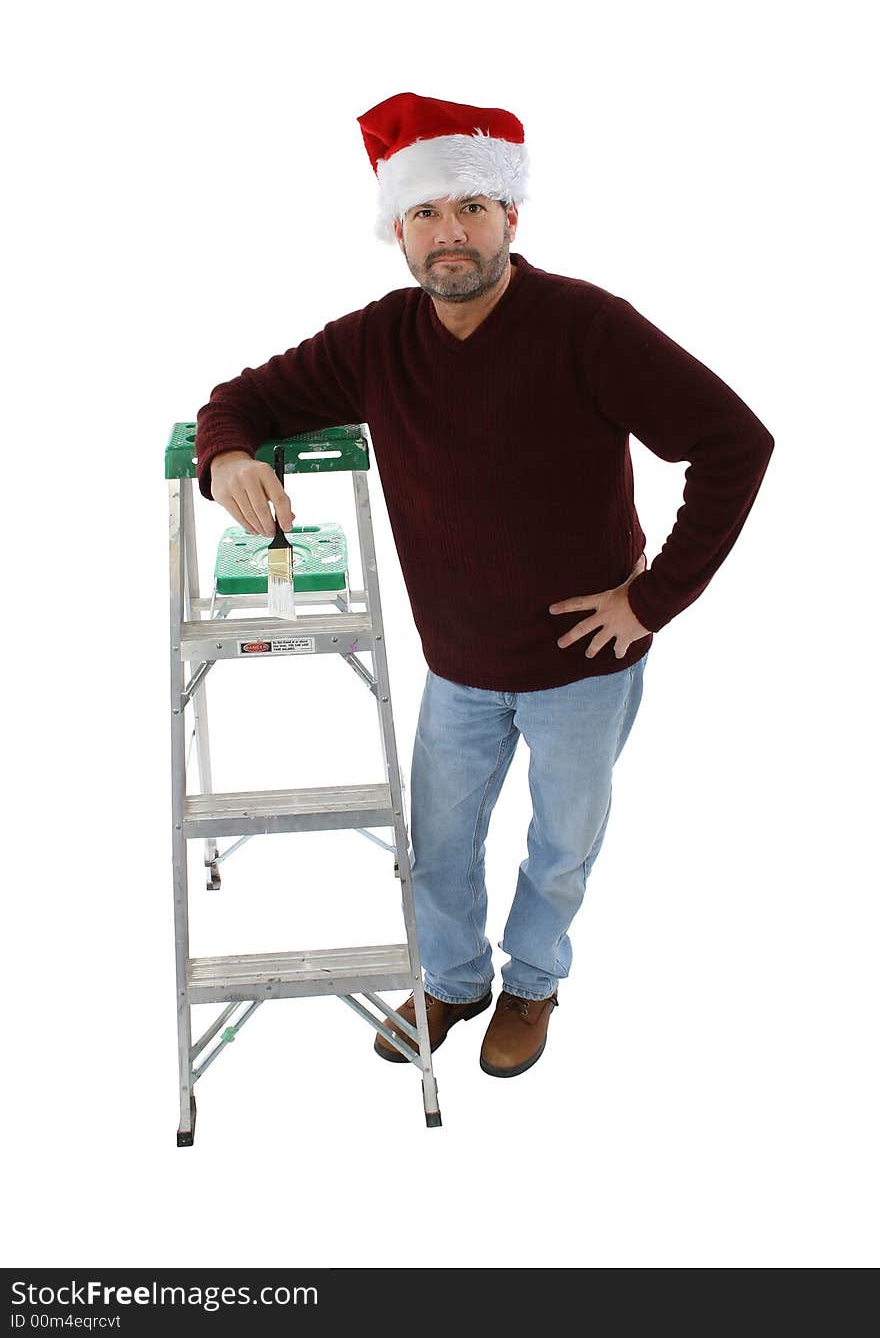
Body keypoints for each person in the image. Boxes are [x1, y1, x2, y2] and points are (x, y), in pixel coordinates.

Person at [194, 91, 775, 1079]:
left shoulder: (586, 325)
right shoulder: (380, 340)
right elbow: (238, 400)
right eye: (424, 213)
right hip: (458, 666)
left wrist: (651, 597)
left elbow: (734, 443)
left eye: (469, 206)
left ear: (511, 215)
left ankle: (534, 981)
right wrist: (229, 461)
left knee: (560, 842)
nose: (447, 231)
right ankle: (454, 981)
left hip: (585, 666)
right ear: (399, 233)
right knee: (442, 841)